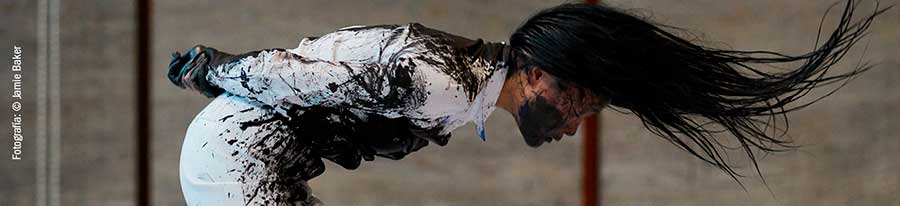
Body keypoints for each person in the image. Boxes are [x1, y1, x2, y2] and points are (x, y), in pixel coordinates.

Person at [167, 1, 888, 205]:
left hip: (249, 153)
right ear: (542, 74)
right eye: (579, 106)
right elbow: (313, 76)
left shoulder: (463, 87)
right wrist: (221, 69)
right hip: (239, 153)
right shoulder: (444, 79)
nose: (573, 128)